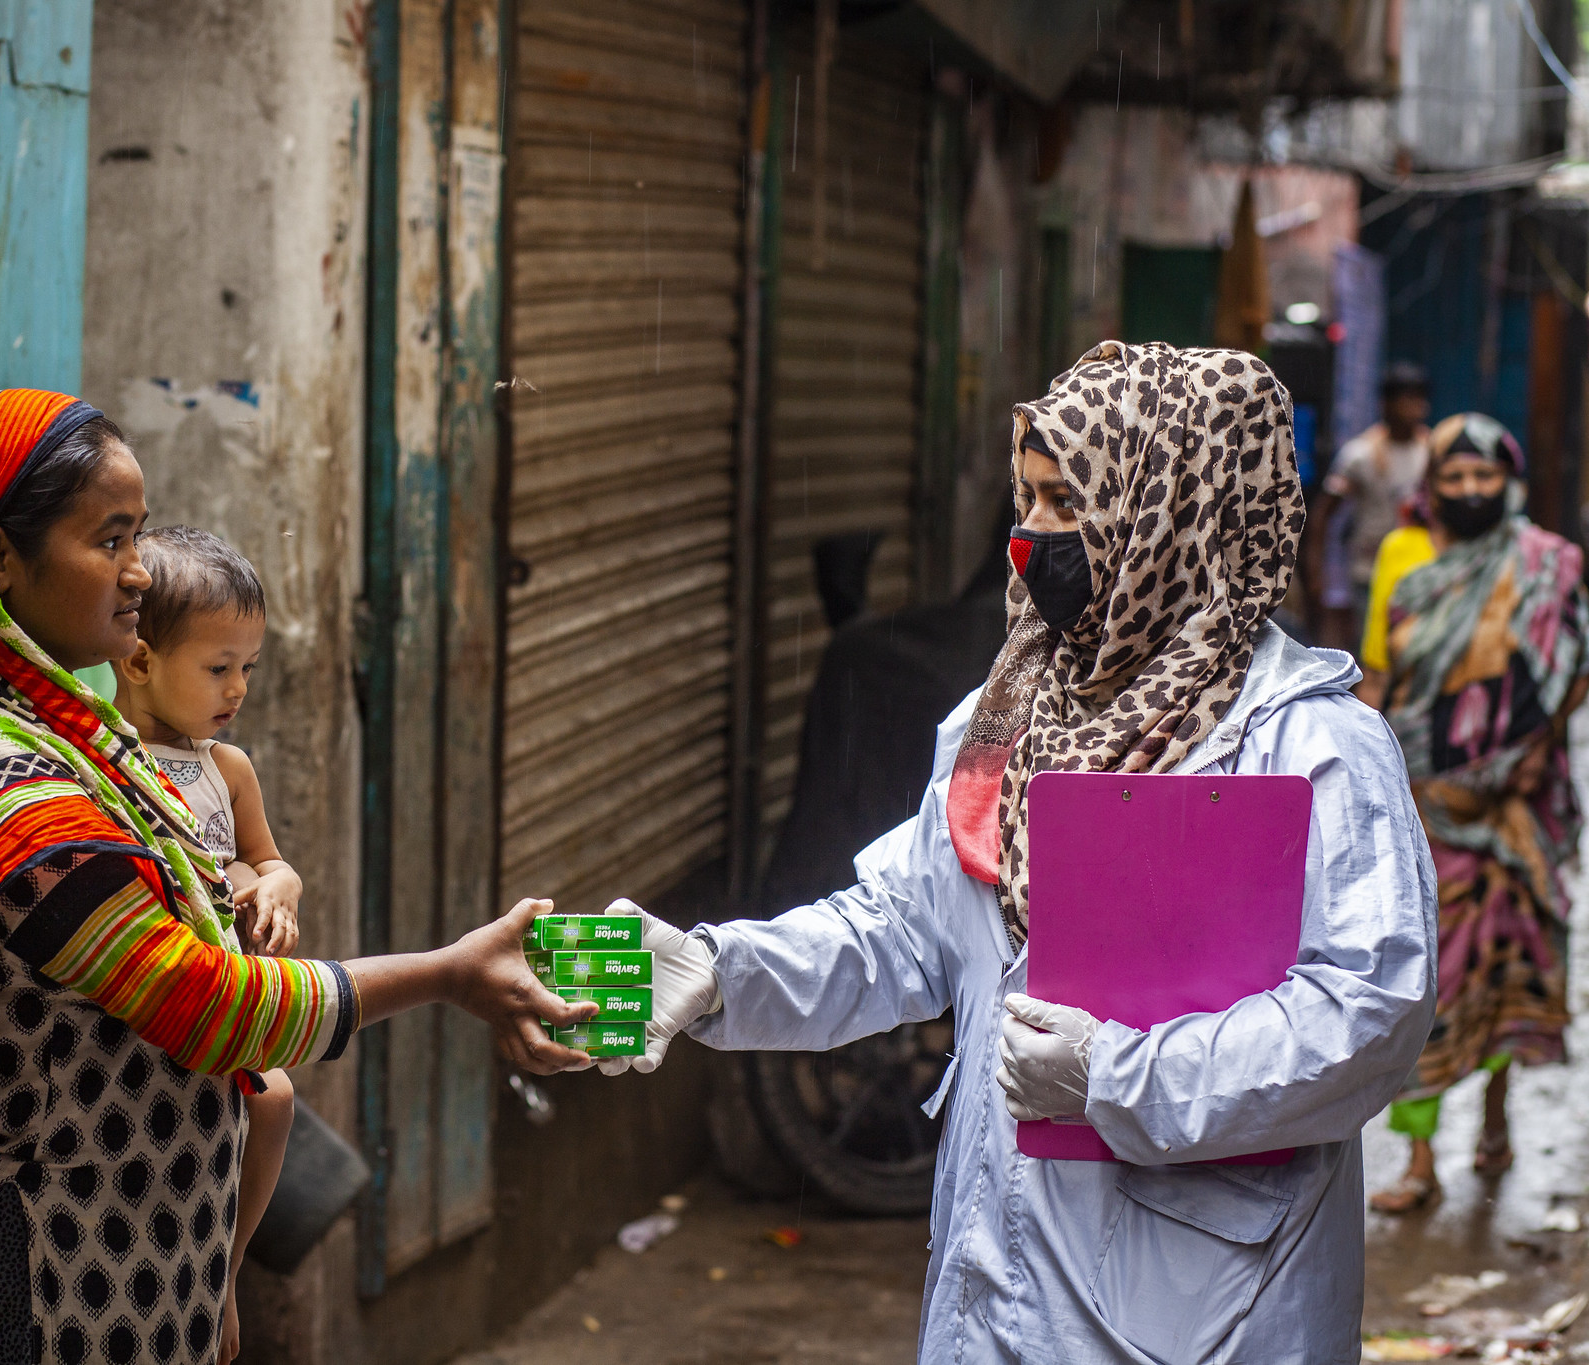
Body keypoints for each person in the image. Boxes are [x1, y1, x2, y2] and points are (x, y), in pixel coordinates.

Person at [568, 343, 1438, 1362]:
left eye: (1064, 503)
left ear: (1174, 510)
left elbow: (1366, 1014)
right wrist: (719, 971)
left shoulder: (1310, 746)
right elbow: (897, 932)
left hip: (1213, 1312)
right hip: (995, 1298)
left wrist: (1117, 1076)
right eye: (1022, 501)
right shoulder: (1006, 719)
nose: (1029, 541)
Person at [0, 390, 593, 1365]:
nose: (137, 573)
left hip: (126, 1266)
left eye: (137, 535)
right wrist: (448, 973)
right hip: (30, 1282)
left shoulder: (47, 731)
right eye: (109, 539)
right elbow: (213, 1010)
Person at [1355, 413, 1588, 1214]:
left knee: (1504, 964)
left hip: (1517, 804)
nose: (1469, 490)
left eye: (1484, 476)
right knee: (1427, 979)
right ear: (1430, 487)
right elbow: (1381, 676)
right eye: (1453, 478)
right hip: (1429, 804)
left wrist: (1533, 749)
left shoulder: (1547, 566)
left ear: (1509, 479)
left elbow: (1571, 664)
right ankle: (1420, 1155)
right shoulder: (1404, 558)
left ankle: (1495, 1120)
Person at [109, 523, 300, 1355]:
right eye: (218, 668)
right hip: (145, 1006)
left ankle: (224, 1270)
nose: (238, 689)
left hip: (224, 1001)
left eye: (247, 668)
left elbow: (268, 861)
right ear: (140, 660)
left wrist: (276, 892)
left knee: (277, 1098)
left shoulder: (228, 769)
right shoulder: (102, 760)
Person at [1307, 362, 1431, 652]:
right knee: (1372, 646)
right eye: (1406, 399)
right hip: (1369, 569)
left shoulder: (1431, 450)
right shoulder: (1360, 455)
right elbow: (1325, 512)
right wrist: (1316, 572)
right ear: (1386, 403)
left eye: (1419, 398)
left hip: (1418, 568)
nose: (1414, 408)